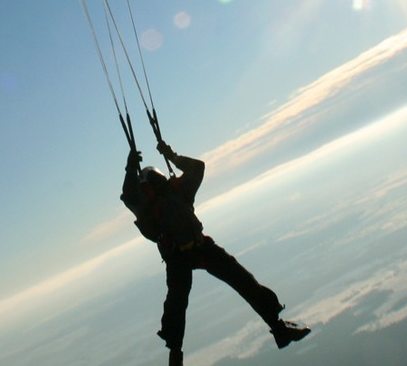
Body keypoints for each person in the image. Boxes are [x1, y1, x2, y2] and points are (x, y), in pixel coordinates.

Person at [121, 141, 310, 366]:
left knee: (184, 301)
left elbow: (130, 194)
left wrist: (133, 167)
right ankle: (278, 328)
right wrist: (170, 157)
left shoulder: (152, 201)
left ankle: (176, 355)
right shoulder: (171, 193)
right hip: (193, 250)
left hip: (186, 253)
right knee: (236, 283)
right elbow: (196, 168)